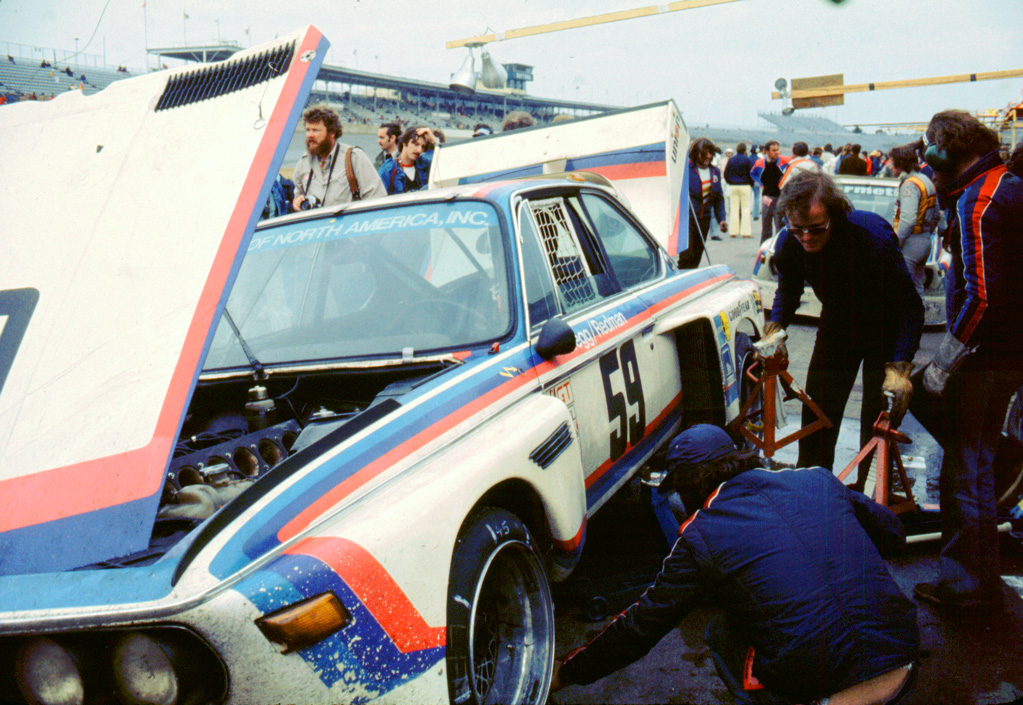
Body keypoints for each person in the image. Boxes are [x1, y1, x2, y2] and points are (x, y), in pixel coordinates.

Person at [553, 424, 919, 705]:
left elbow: (639, 627)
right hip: (903, 659)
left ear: (689, 488)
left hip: (825, 692)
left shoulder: (701, 536)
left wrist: (567, 672)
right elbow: (893, 534)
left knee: (721, 631)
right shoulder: (816, 478)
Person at [909, 110, 1023, 611]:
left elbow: (980, 298)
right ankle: (976, 578)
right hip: (1009, 353)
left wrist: (943, 363)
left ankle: (968, 589)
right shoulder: (1010, 184)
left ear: (944, 152)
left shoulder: (979, 200)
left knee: (967, 467)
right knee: (973, 459)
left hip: (983, 356)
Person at [769, 170, 923, 483]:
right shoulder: (790, 241)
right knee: (818, 412)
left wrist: (900, 367)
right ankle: (811, 487)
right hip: (838, 323)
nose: (807, 238)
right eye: (798, 230)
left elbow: (911, 307)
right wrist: (776, 327)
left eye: (816, 229)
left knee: (877, 419)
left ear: (835, 216)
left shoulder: (871, 236)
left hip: (886, 326)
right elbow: (788, 288)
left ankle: (867, 491)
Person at [292, 105, 386, 211]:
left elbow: (377, 199)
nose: (310, 135)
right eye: (308, 130)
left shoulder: (354, 158)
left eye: (315, 130)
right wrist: (297, 202)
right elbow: (298, 195)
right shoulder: (303, 162)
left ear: (332, 133)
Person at [890, 143, 939, 295]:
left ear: (900, 164)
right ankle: (919, 318)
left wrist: (895, 244)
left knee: (903, 290)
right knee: (917, 288)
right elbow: (937, 214)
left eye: (892, 164)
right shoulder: (925, 179)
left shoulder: (910, 185)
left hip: (911, 242)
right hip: (924, 240)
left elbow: (908, 220)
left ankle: (907, 319)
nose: (890, 167)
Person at [680, 137, 727, 267]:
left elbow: (719, 198)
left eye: (710, 152)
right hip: (687, 219)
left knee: (696, 257)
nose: (708, 156)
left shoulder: (715, 171)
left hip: (704, 220)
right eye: (704, 152)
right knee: (686, 256)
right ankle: (682, 283)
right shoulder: (685, 169)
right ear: (696, 153)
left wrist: (721, 219)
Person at [378, 126, 437, 194]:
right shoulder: (388, 170)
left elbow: (445, 163)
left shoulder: (424, 165)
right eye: (415, 144)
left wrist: (433, 140)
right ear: (404, 142)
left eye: (422, 146)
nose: (419, 150)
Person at [751, 140, 788, 242]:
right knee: (766, 226)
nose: (776, 152)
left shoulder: (785, 161)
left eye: (778, 150)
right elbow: (752, 173)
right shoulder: (759, 163)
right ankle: (764, 247)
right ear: (766, 151)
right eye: (773, 150)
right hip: (767, 197)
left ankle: (779, 247)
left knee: (780, 226)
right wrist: (761, 184)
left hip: (781, 198)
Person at [723, 142, 754, 238]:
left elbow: (725, 173)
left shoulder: (731, 160)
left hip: (733, 186)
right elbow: (751, 174)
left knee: (734, 209)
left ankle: (733, 231)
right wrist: (751, 184)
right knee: (745, 209)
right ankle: (746, 232)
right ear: (745, 150)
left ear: (736, 149)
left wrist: (730, 182)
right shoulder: (748, 160)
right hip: (745, 186)